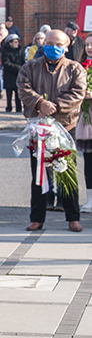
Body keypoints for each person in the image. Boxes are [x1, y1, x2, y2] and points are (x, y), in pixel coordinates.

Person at [17, 29, 86, 232]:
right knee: (39, 174)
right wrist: (40, 103)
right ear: (43, 44)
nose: (53, 48)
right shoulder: (30, 66)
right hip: (39, 128)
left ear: (66, 47)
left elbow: (78, 93)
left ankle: (73, 217)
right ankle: (37, 218)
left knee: (67, 172)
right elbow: (23, 88)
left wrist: (53, 106)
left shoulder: (75, 68)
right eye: (49, 44)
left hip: (65, 127)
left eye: (58, 45)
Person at [77, 34, 92, 213]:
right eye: (87, 44)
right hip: (87, 121)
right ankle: (89, 199)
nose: (89, 48)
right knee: (89, 162)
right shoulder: (79, 67)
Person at [1, 34, 24, 112]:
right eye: (15, 42)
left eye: (17, 42)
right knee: (9, 93)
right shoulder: (5, 51)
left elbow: (23, 61)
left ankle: (18, 107)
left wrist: (23, 68)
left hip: (18, 75)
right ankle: (9, 107)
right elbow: (6, 63)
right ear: (10, 43)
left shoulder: (20, 51)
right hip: (9, 75)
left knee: (18, 92)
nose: (17, 43)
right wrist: (18, 68)